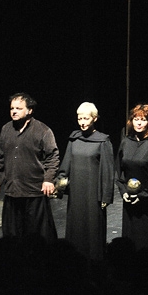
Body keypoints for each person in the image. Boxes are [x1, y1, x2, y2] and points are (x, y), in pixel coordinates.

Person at [0, 92, 59, 240]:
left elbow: (52, 157)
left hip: (34, 191)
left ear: (29, 110)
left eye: (18, 108)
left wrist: (48, 179)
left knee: (37, 235)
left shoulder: (43, 130)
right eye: (12, 108)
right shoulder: (6, 129)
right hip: (13, 191)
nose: (14, 111)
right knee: (13, 235)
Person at [57, 102, 115, 261]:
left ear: (94, 118)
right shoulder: (74, 139)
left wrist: (105, 195)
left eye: (86, 118)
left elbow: (108, 170)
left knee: (93, 227)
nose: (82, 122)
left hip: (93, 193)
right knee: (76, 225)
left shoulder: (102, 141)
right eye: (79, 118)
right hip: (76, 191)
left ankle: (94, 260)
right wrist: (60, 182)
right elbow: (66, 164)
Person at [115, 104, 148, 257]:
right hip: (130, 200)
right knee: (130, 241)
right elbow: (119, 170)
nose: (139, 123)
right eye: (136, 119)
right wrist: (124, 191)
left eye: (143, 120)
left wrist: (143, 195)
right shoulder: (125, 142)